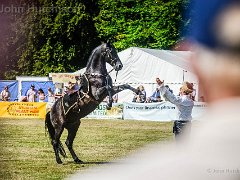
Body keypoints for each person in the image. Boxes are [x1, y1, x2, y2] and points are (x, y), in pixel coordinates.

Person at [69, 1, 240, 180]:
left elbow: (172, 98)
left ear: (195, 65)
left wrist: (161, 86)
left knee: (182, 150)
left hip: (181, 126)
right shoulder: (188, 100)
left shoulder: (119, 175)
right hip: (184, 124)